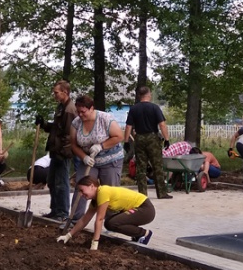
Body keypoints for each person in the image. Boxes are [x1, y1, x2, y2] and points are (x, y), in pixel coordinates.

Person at [56, 176, 155, 249]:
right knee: (109, 223)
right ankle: (137, 235)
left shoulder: (103, 192)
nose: (81, 194)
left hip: (145, 209)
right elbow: (84, 220)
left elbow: (99, 219)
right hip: (137, 209)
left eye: (82, 190)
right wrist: (69, 235)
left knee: (112, 222)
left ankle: (144, 234)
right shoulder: (96, 199)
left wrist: (94, 243)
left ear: (91, 186)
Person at [36, 80, 77, 221]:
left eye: (56, 92)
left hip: (62, 152)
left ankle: (63, 213)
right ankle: (55, 210)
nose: (54, 95)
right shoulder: (60, 107)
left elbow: (69, 134)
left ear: (65, 92)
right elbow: (56, 128)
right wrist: (44, 124)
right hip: (55, 150)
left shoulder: (70, 109)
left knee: (62, 182)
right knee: (52, 181)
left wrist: (63, 151)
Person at [123, 86, 172, 199]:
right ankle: (161, 193)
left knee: (141, 167)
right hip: (152, 138)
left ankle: (142, 194)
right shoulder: (155, 108)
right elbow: (162, 125)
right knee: (157, 165)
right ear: (149, 94)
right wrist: (167, 139)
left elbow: (128, 126)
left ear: (139, 95)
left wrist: (126, 141)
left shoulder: (134, 109)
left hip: (139, 138)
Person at [71, 95, 124, 186]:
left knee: (108, 192)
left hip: (111, 161)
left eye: (83, 112)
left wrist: (101, 146)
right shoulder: (76, 122)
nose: (80, 115)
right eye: (78, 111)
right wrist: (84, 157)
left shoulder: (105, 118)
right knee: (82, 187)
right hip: (90, 160)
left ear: (91, 108)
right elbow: (73, 144)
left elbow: (119, 136)